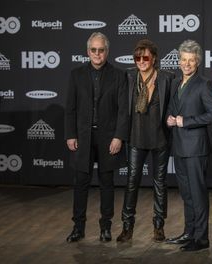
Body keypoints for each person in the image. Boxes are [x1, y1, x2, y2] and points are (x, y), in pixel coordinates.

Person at [64, 32, 128, 243]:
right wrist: (70, 134)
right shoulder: (76, 75)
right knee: (81, 182)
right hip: (82, 137)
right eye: (94, 50)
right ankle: (78, 227)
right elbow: (70, 109)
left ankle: (105, 227)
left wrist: (119, 136)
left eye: (101, 50)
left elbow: (122, 111)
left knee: (106, 183)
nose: (97, 54)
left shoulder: (119, 75)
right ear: (88, 51)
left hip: (108, 137)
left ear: (107, 51)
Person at [116, 39, 175, 243]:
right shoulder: (129, 76)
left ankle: (159, 227)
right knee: (132, 182)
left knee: (160, 184)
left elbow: (178, 101)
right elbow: (122, 107)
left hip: (160, 138)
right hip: (136, 138)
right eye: (137, 57)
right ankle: (127, 227)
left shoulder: (167, 78)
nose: (141, 61)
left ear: (154, 58)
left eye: (145, 57)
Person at [165, 39, 212, 251]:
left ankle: (202, 238)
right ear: (179, 62)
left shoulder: (204, 84)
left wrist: (184, 121)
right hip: (179, 147)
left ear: (197, 62)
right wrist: (170, 118)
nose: (187, 64)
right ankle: (189, 233)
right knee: (186, 194)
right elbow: (173, 109)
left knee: (197, 193)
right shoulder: (177, 83)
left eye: (191, 60)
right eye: (183, 60)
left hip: (196, 149)